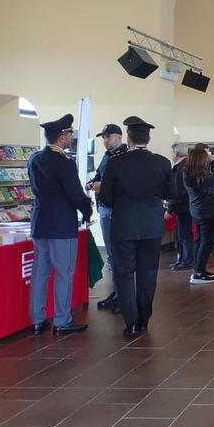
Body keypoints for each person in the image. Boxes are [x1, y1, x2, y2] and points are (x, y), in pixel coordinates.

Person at [98, 116, 175, 337]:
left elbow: (106, 198)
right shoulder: (162, 163)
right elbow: (170, 192)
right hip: (152, 225)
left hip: (123, 225)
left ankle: (131, 322)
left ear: (128, 139)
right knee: (147, 273)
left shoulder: (116, 162)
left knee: (123, 274)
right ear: (148, 139)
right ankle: (144, 319)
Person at [28, 113, 93, 335]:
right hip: (61, 225)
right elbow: (75, 194)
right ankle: (62, 319)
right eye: (70, 134)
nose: (71, 137)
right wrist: (87, 209)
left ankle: (37, 320)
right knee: (64, 272)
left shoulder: (35, 159)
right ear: (62, 137)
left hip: (40, 223)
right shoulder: (65, 163)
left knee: (40, 273)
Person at [86, 123, 127, 313]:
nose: (105, 141)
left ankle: (123, 295)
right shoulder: (107, 156)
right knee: (111, 254)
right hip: (104, 207)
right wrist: (93, 182)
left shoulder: (124, 156)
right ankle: (117, 291)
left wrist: (101, 186)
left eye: (108, 137)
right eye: (103, 138)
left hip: (116, 209)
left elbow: (122, 183)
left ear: (118, 136)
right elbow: (100, 175)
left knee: (119, 254)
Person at [183, 145, 214, 284]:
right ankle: (198, 273)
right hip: (207, 212)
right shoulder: (202, 177)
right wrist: (213, 161)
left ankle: (198, 269)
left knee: (200, 240)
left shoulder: (187, 173)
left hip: (197, 211)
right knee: (206, 243)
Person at [166, 143, 193, 272]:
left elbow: (178, 191)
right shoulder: (186, 166)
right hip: (186, 206)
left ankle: (187, 260)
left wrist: (170, 208)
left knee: (184, 235)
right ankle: (182, 259)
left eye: (172, 153)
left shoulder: (181, 169)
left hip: (183, 207)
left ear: (176, 153)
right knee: (181, 234)